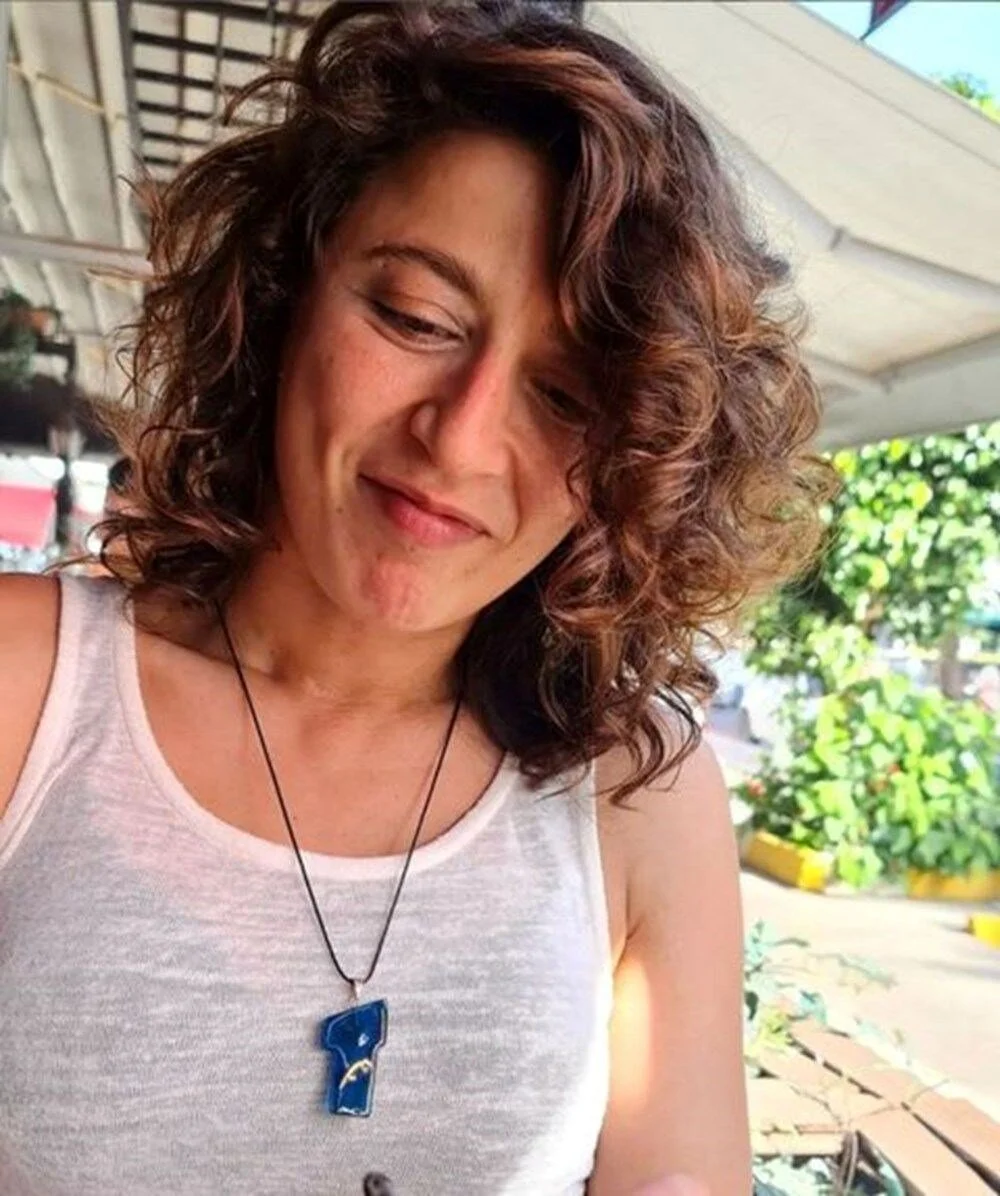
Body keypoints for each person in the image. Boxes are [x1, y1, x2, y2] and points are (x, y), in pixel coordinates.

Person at [0, 3, 834, 1193]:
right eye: (415, 318)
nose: (460, 437)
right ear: (283, 292)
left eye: (566, 395)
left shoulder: (634, 790)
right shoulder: (25, 687)